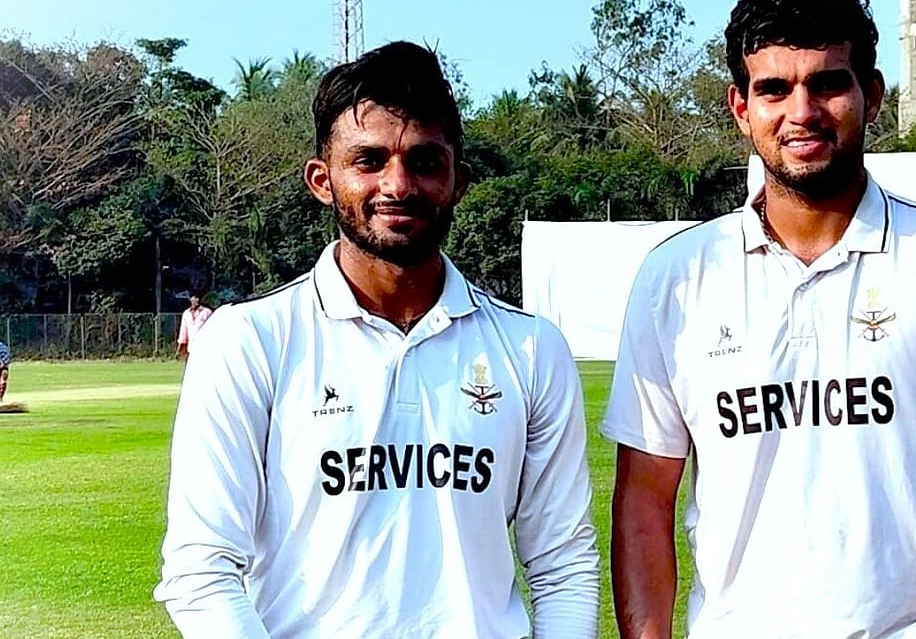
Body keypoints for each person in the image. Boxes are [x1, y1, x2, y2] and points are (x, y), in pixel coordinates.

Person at [602, 0, 916, 638]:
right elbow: (643, 501)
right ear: (740, 107)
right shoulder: (676, 277)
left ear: (873, 95)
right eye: (773, 88)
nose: (800, 111)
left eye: (828, 83)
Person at [154, 41, 600, 638]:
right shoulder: (248, 341)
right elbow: (201, 568)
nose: (398, 184)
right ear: (322, 179)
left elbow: (561, 564)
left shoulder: (531, 350)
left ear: (457, 180)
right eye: (368, 160)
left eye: (424, 161)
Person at [175, 292, 212, 360]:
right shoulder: (186, 313)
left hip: (205, 348)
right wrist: (179, 350)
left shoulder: (207, 312)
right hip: (191, 348)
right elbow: (183, 333)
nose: (193, 300)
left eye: (195, 298)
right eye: (191, 298)